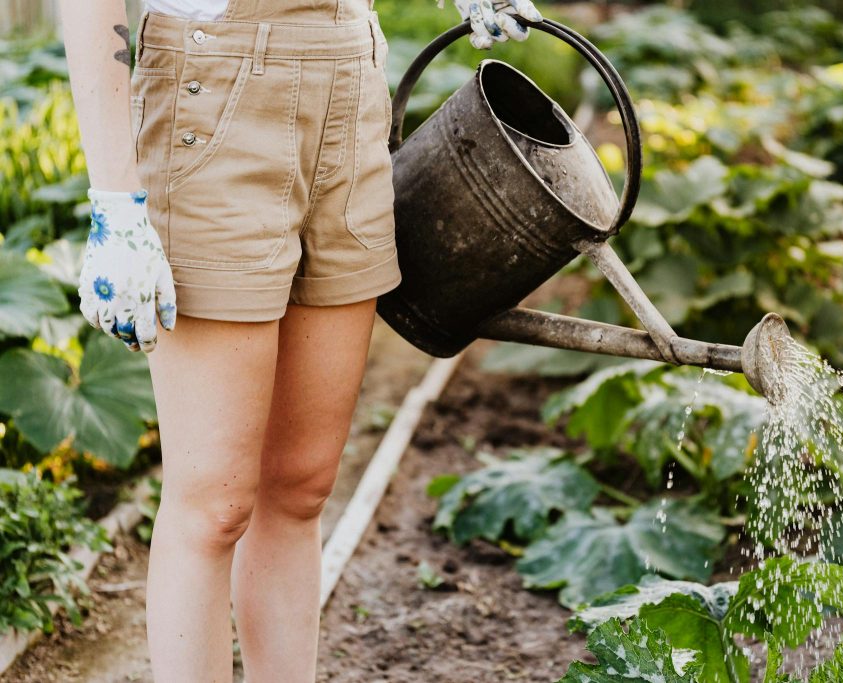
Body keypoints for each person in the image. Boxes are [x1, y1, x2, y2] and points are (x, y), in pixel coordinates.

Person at [58, 0, 542, 680]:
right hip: (216, 90)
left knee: (302, 486)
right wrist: (114, 199)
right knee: (215, 503)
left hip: (350, 77)